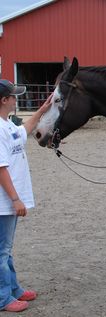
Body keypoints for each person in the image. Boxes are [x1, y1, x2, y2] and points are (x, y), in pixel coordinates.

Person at [0, 79, 52, 312]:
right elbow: (0, 168)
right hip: (4, 202)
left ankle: (13, 289)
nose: (16, 98)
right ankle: (3, 298)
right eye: (13, 96)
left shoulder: (8, 124)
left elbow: (24, 132)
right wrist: (15, 199)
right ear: (4, 100)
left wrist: (43, 109)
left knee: (6, 248)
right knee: (1, 251)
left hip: (8, 201)